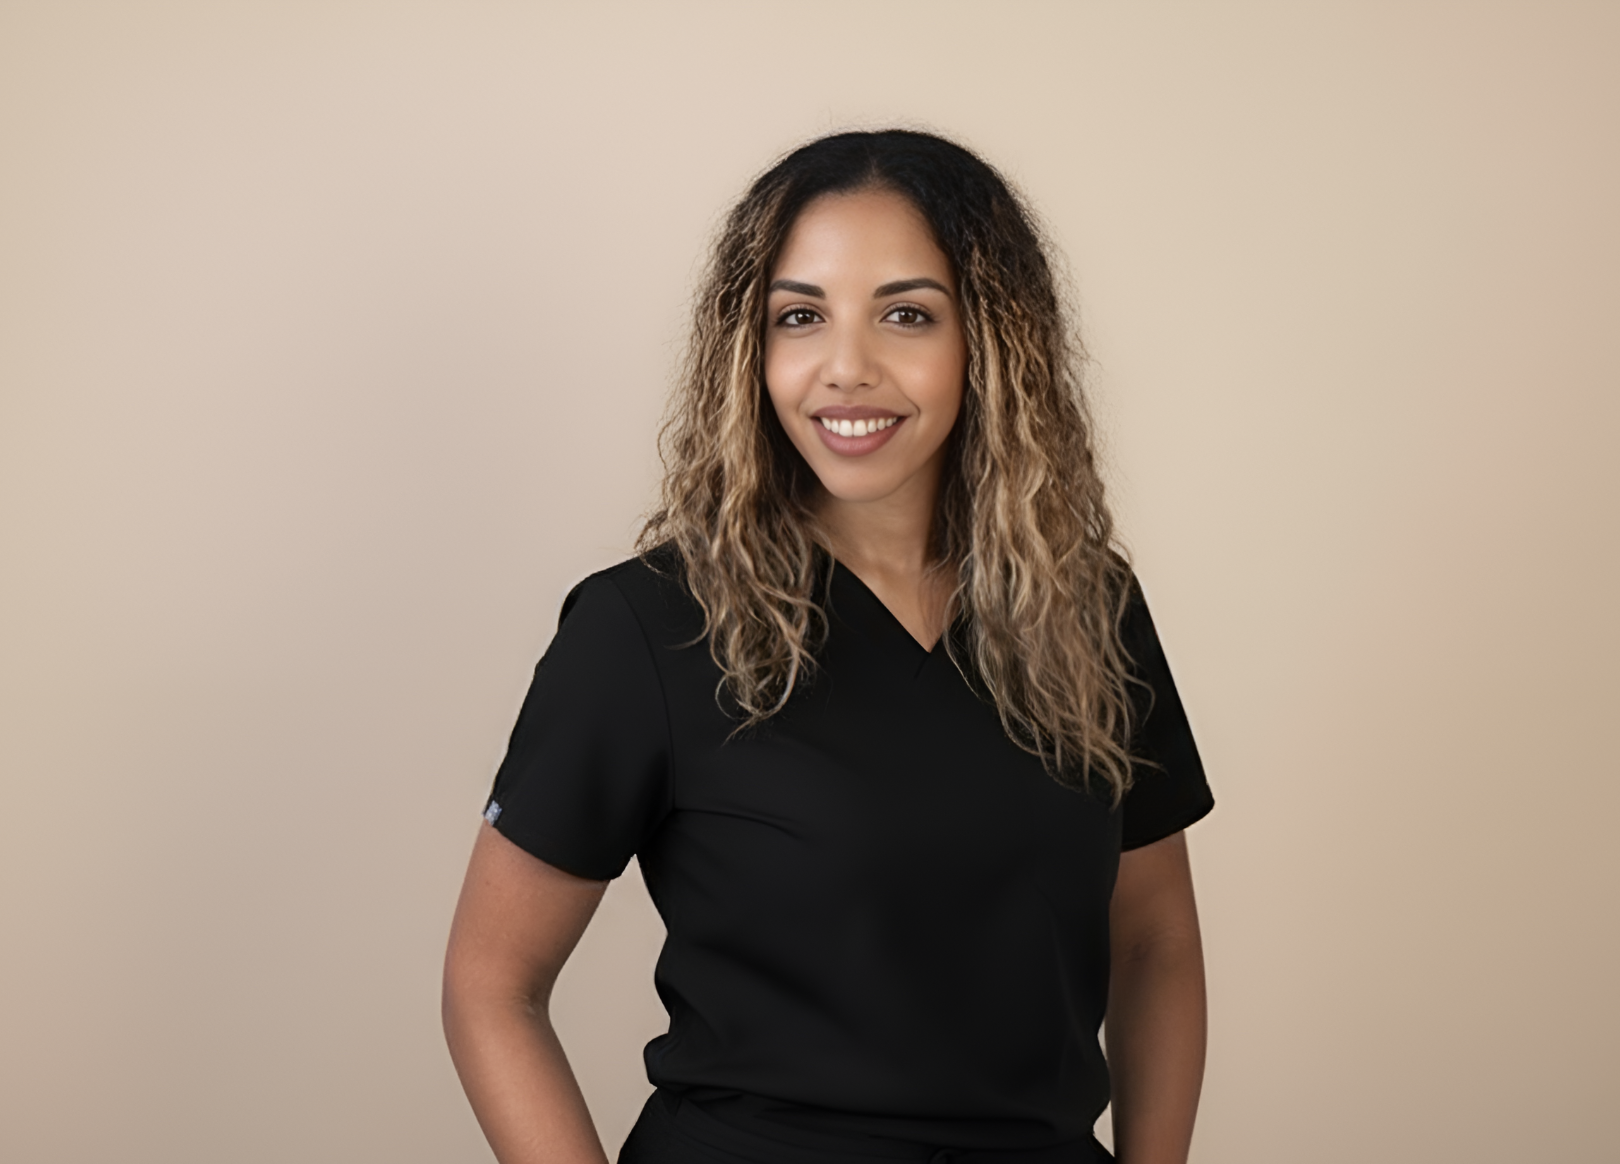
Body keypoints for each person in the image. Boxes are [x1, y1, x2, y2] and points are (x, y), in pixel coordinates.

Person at [442, 129, 1213, 1164]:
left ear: (991, 339)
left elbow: (1156, 943)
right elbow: (491, 985)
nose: (847, 369)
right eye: (799, 317)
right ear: (749, 351)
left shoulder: (1086, 608)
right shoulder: (648, 627)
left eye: (906, 314)